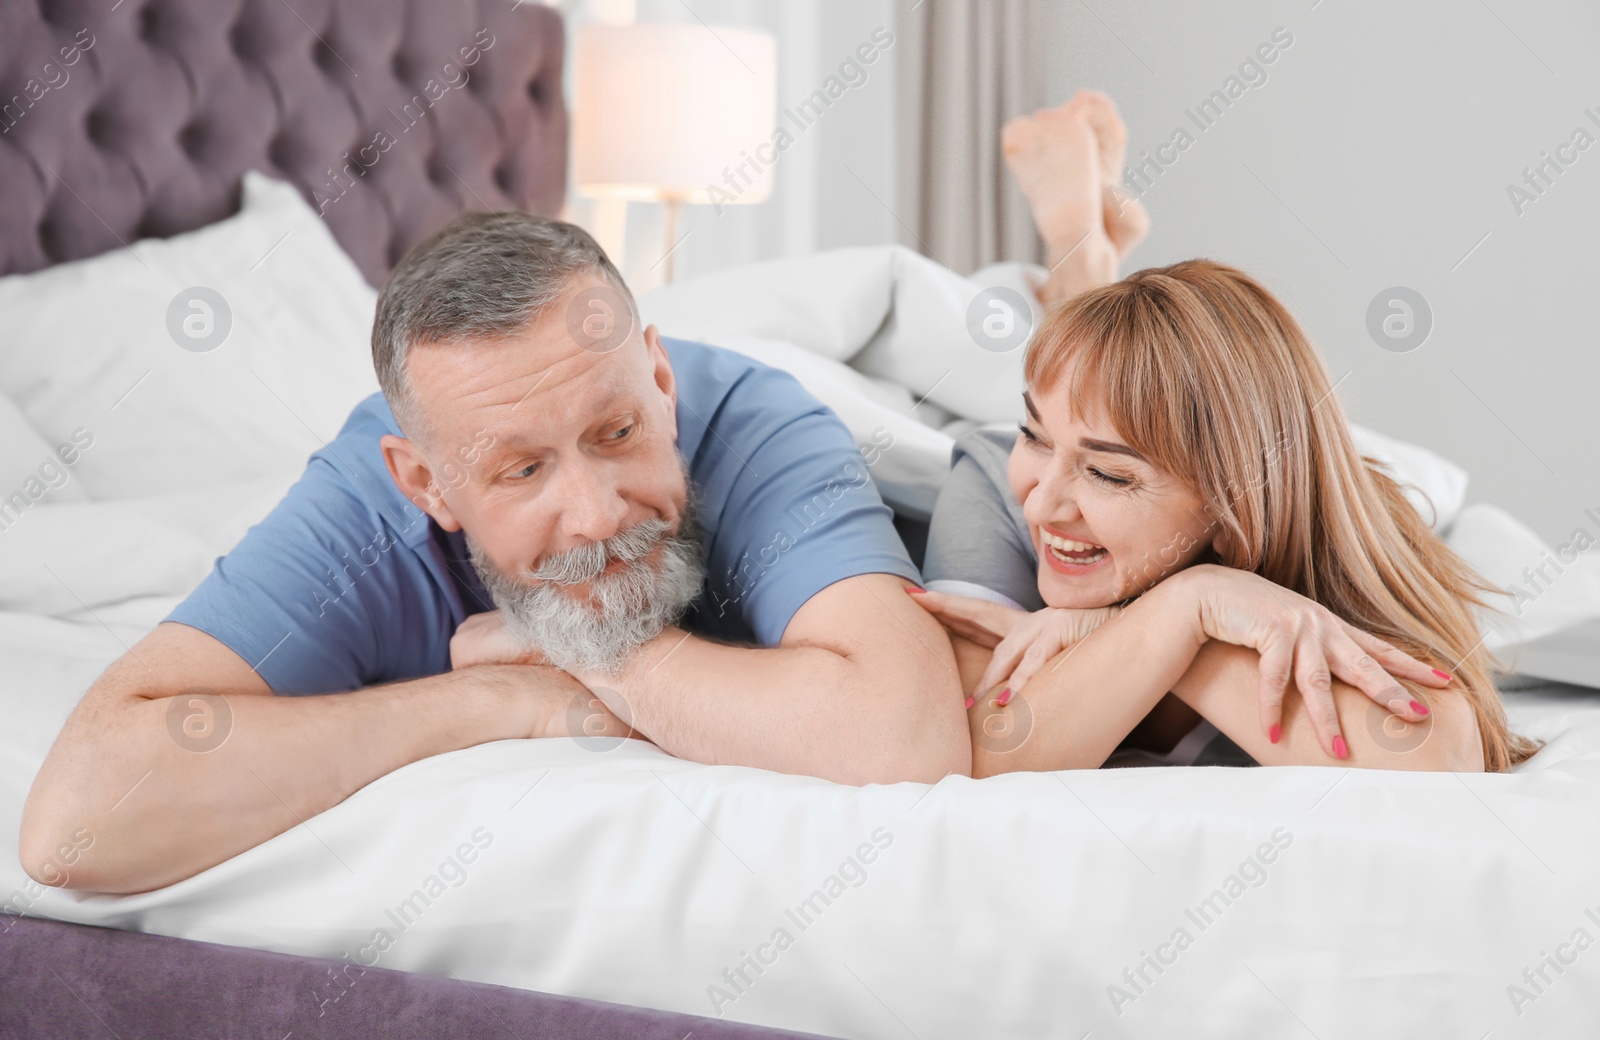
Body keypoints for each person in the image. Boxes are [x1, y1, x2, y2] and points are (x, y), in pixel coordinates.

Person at [915, 97, 1538, 774]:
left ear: (1233, 516)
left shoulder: (1341, 525)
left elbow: (1440, 757)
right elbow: (981, 746)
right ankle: (1080, 256)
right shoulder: (994, 489)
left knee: (1116, 405)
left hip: (1261, 468)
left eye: (1110, 476)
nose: (1041, 504)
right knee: (1089, 392)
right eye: (1031, 437)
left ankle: (1089, 259)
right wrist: (1185, 606)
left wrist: (1186, 617)